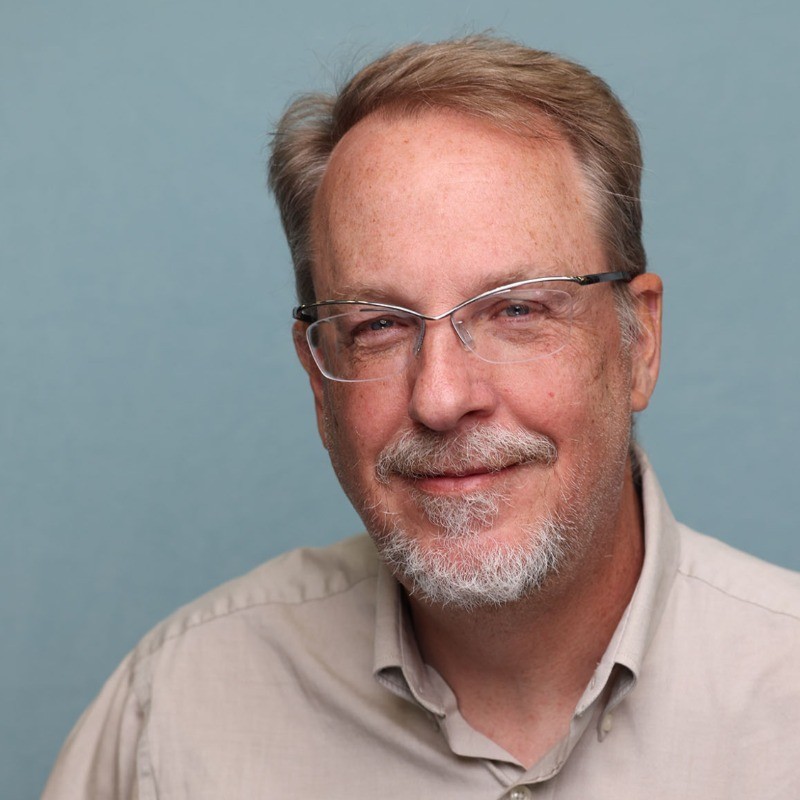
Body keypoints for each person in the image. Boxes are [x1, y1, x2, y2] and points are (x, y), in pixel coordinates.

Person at [43, 35, 800, 799]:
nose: (440, 397)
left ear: (640, 341)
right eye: (377, 325)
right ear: (317, 379)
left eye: (518, 309)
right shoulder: (173, 717)